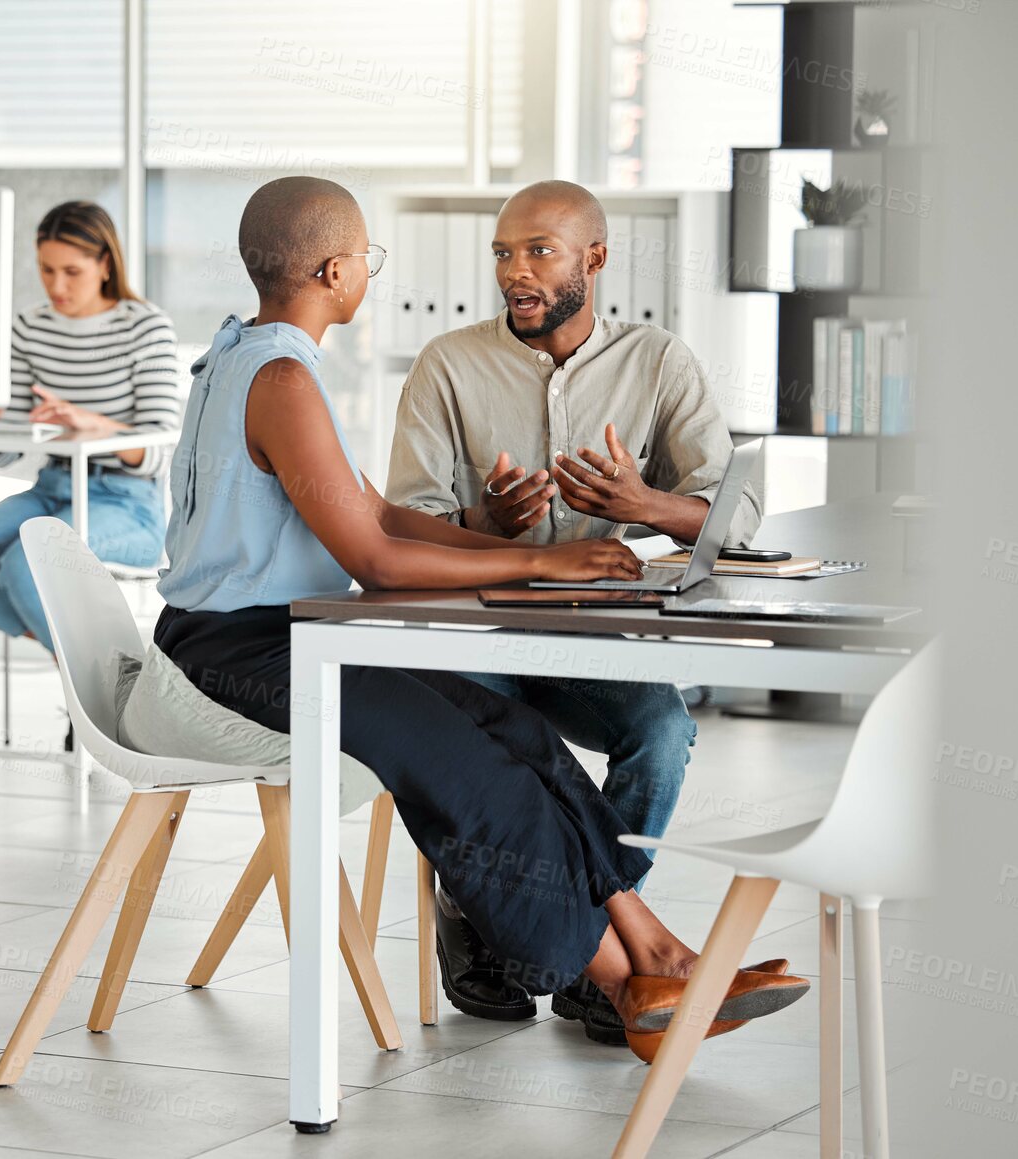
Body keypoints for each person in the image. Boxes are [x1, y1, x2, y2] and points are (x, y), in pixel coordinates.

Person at [153, 175, 806, 1062]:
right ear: (337, 270)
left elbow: (379, 515)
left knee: (514, 731)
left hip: (293, 631)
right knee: (471, 770)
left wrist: (491, 540)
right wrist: (538, 555)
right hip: (243, 648)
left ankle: (658, 954)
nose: (371, 279)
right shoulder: (282, 377)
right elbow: (374, 560)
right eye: (367, 263)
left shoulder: (250, 357)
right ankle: (620, 981)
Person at [385, 179, 763, 1042]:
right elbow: (401, 521)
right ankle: (486, 919)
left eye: (538, 252)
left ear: (594, 259)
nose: (514, 272)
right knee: (488, 749)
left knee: (661, 735)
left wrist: (646, 500)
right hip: (477, 633)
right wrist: (485, 523)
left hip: (596, 643)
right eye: (502, 254)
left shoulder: (658, 361)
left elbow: (734, 514)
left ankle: (592, 948)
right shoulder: (447, 362)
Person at [0, 202, 180, 737]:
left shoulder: (146, 326)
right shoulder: (30, 326)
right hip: (51, 486)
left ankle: (97, 689)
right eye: (46, 269)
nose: (56, 286)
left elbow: (158, 448)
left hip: (127, 501)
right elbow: (9, 451)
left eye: (72, 272)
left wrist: (94, 425)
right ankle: (96, 677)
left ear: (106, 264)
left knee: (26, 565)